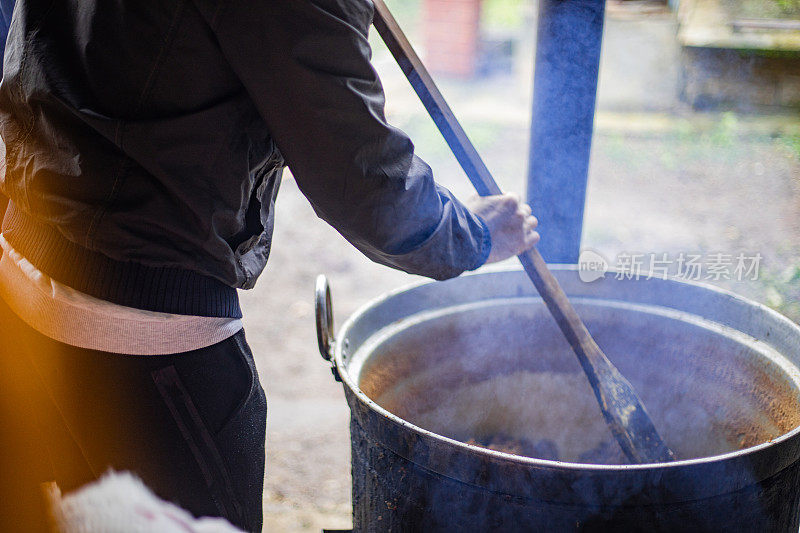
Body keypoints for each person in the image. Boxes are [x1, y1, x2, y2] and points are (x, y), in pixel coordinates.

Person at [0, 1, 539, 531]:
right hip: (144, 327)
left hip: (24, 258)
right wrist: (475, 235)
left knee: (87, 519)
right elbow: (364, 183)